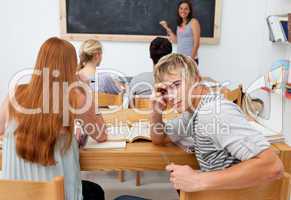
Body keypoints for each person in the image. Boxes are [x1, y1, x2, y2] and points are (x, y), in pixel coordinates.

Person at [150, 53, 283, 192]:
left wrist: (198, 180)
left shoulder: (213, 112)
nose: (171, 96)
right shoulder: (193, 112)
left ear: (196, 79)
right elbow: (160, 137)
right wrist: (155, 110)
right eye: (165, 90)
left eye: (176, 85)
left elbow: (273, 167)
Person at [0, 37, 107, 200]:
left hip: (14, 194)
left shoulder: (13, 95)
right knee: (95, 191)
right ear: (71, 66)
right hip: (57, 195)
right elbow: (101, 135)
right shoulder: (76, 97)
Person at [160, 0, 201, 65]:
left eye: (186, 9)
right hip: (180, 60)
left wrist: (190, 60)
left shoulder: (194, 22)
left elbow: (197, 43)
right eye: (181, 8)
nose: (183, 11)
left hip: (190, 60)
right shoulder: (179, 25)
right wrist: (166, 27)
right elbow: (176, 41)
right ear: (178, 10)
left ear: (189, 11)